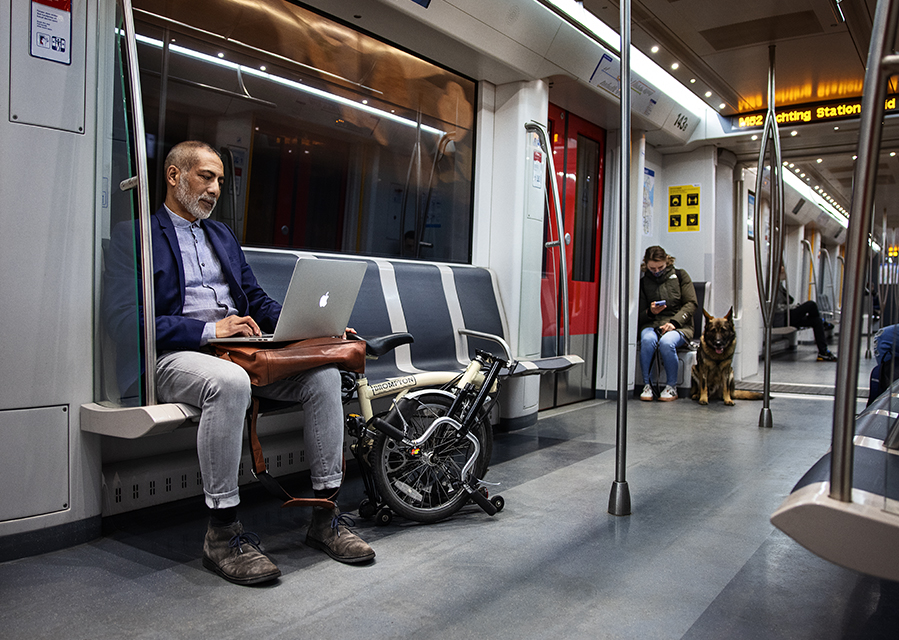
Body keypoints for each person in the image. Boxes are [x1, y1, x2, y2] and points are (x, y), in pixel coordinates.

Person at [105, 141, 374, 586]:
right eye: (205, 177)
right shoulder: (135, 235)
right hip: (177, 357)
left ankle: (325, 517)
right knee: (229, 382)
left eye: (220, 181)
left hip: (242, 354)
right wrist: (213, 331)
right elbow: (124, 321)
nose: (214, 189)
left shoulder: (222, 236)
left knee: (323, 375)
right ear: (174, 176)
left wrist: (315, 328)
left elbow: (258, 302)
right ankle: (223, 531)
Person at [637, 245, 697, 401]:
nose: (656, 271)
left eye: (660, 267)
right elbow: (639, 315)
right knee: (647, 340)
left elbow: (691, 304)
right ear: (646, 264)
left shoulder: (680, 276)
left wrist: (674, 323)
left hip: (680, 325)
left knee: (666, 342)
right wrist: (650, 312)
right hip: (653, 324)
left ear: (667, 261)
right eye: (652, 268)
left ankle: (671, 387)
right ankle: (647, 385)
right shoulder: (644, 282)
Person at [774, 267, 837, 361]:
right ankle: (824, 324)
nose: (784, 271)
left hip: (787, 315)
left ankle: (823, 352)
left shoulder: (779, 285)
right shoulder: (773, 287)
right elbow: (777, 307)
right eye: (782, 270)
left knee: (817, 321)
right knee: (811, 304)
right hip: (782, 318)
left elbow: (789, 300)